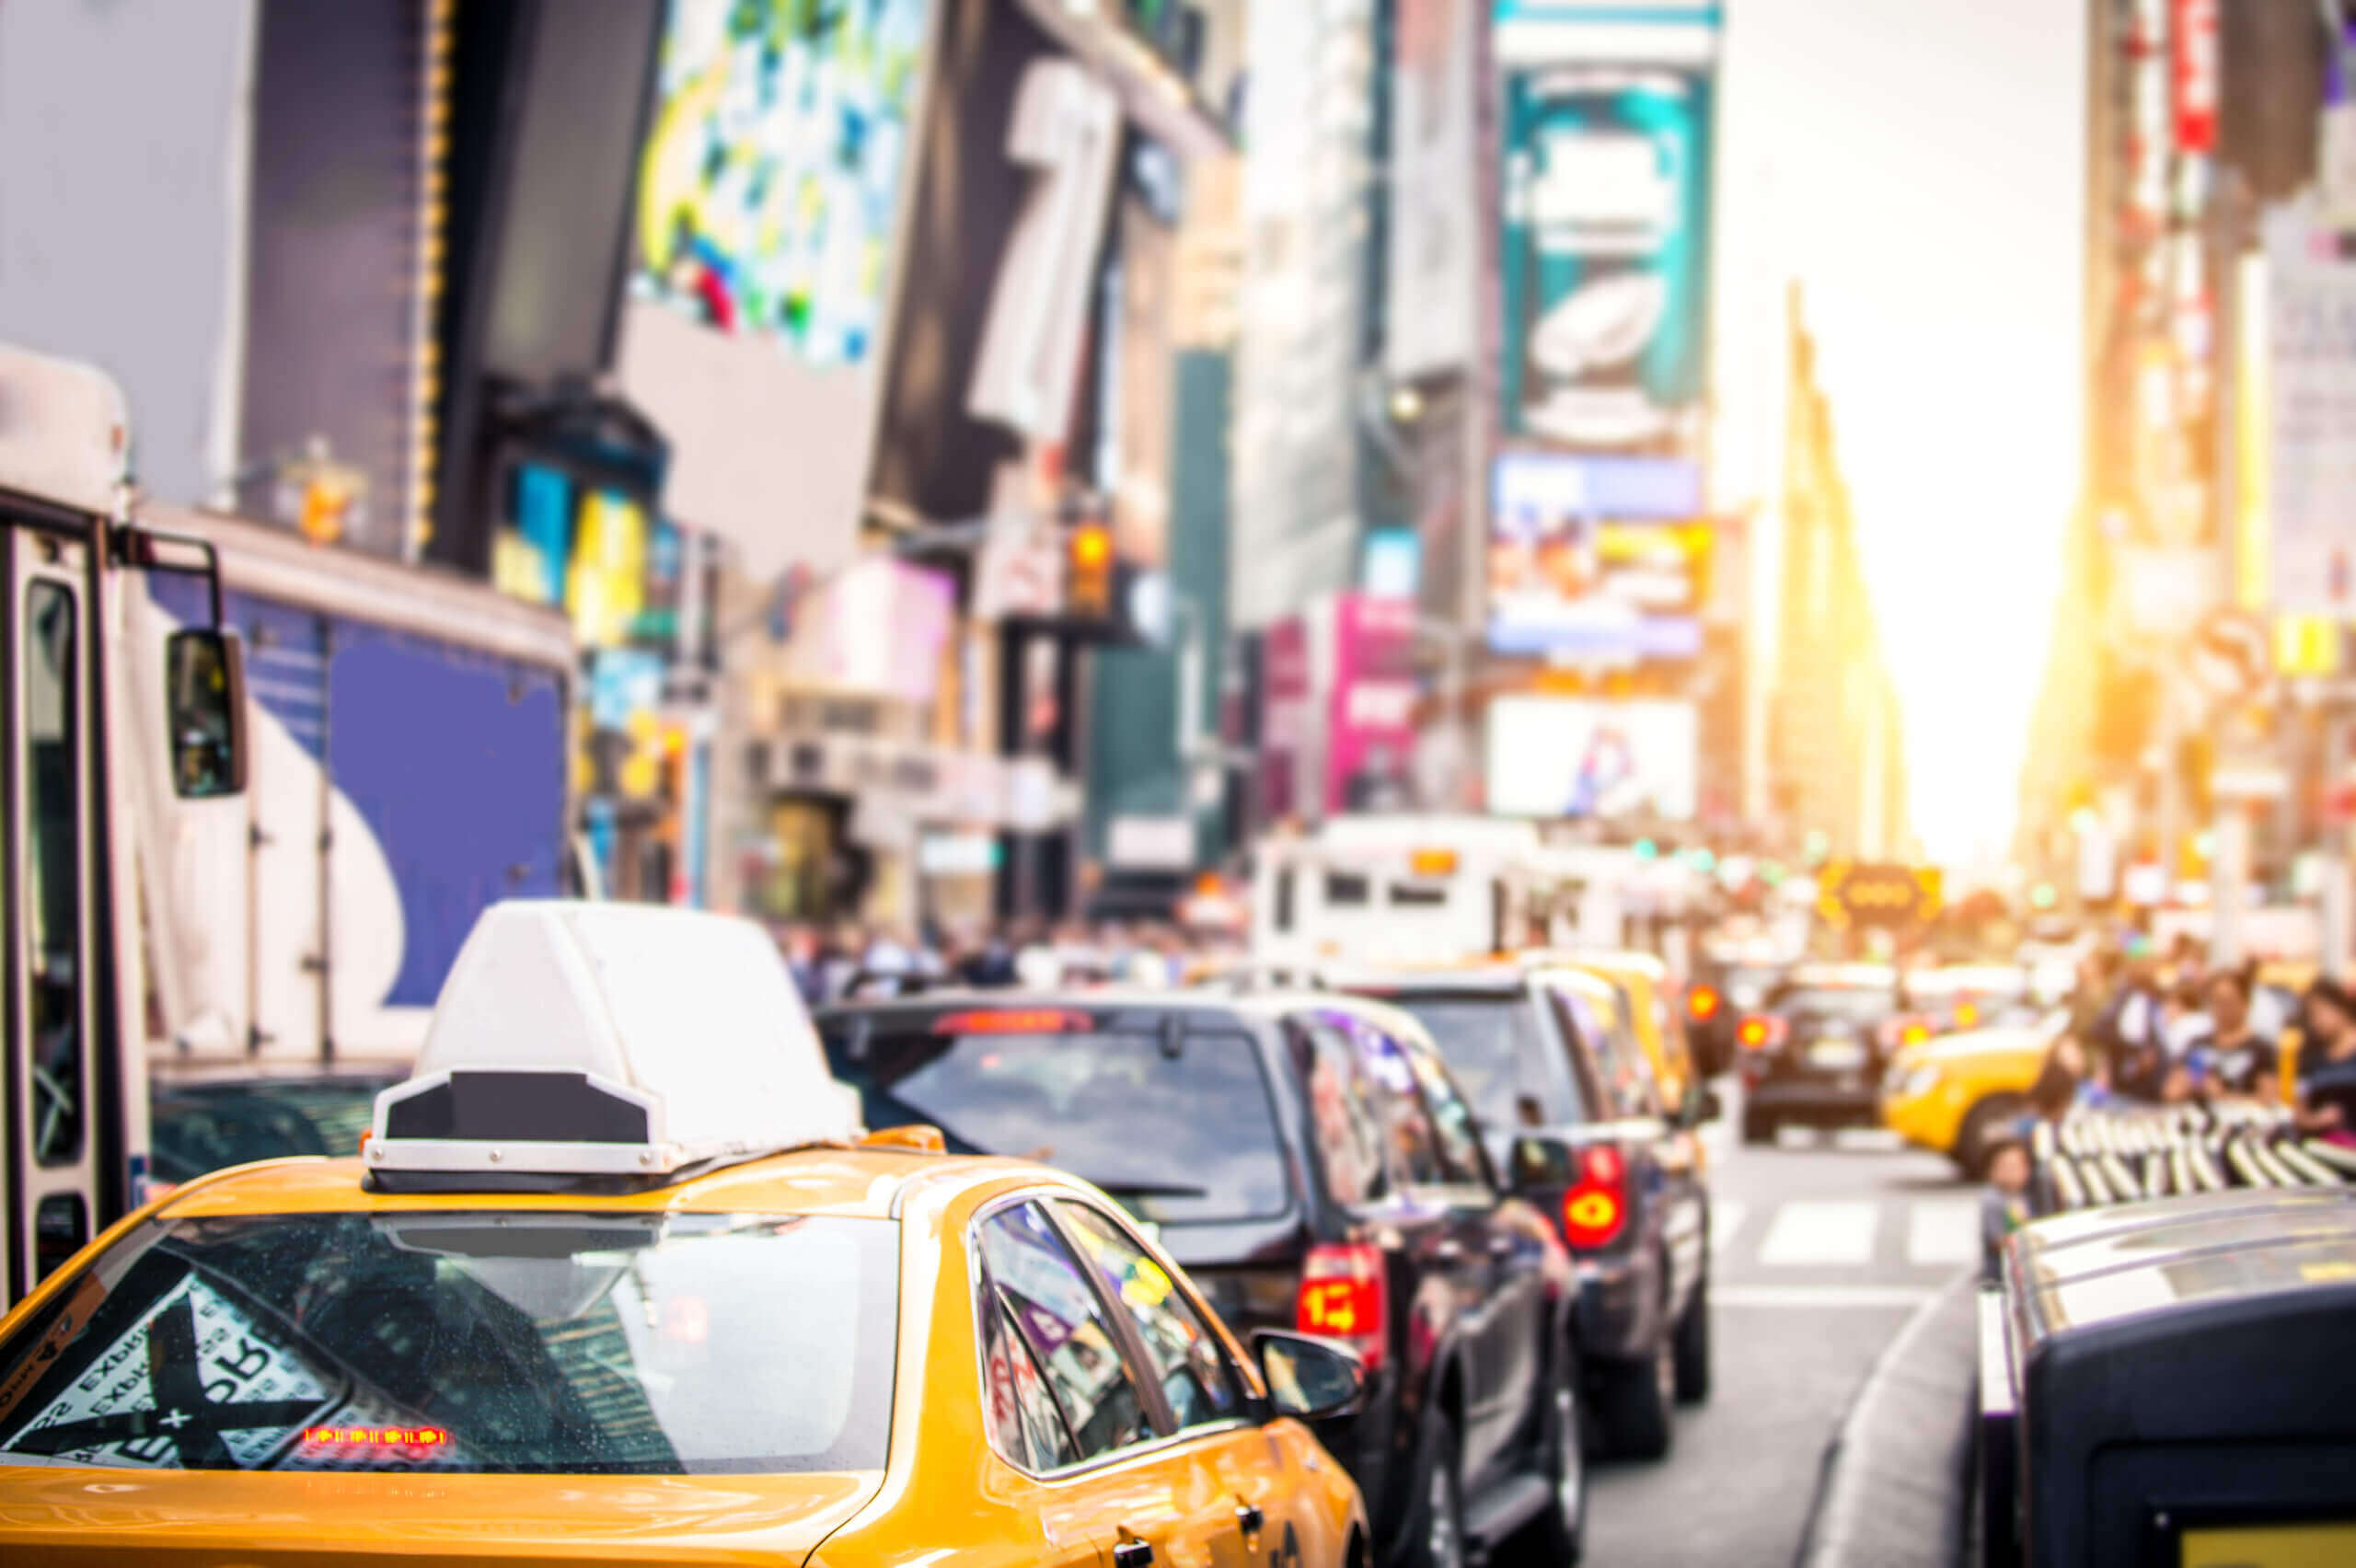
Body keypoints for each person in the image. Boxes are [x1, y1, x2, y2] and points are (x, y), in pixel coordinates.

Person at [2189, 966, 2275, 1101]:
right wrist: (2196, 1082)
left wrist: (2224, 1096)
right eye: (2216, 1001)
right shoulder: (2197, 1044)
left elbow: (2269, 1098)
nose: (2222, 1008)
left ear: (2245, 1003)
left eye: (2228, 1002)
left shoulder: (2261, 1048)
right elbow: (2171, 1091)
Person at [2294, 979, 2356, 1142]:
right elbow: (2300, 1114)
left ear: (2340, 1007)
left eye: (2319, 1013)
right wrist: (2317, 1121)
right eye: (2310, 1017)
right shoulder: (2311, 1057)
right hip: (2325, 1147)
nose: (2316, 1023)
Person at [1981, 1137, 2034, 1283]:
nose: (2010, 1172)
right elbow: (1996, 1240)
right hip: (1999, 1275)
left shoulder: (2024, 1196)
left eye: (2016, 1167)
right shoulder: (1993, 1199)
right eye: (2005, 1167)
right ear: (1992, 1171)